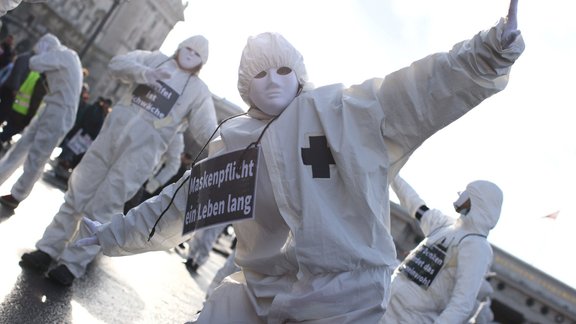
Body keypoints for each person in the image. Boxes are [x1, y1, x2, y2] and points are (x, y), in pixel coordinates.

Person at [78, 1, 524, 322]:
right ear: (243, 86)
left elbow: (419, 91)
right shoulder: (234, 143)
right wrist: (114, 233)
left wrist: (487, 52)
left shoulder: (345, 112)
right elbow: (182, 203)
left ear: (300, 73)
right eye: (259, 74)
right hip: (261, 289)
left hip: (345, 299)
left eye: (282, 70)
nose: (272, 82)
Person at [19, 35, 218, 286]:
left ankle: (72, 264)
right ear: (179, 46)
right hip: (110, 137)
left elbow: (206, 128)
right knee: (77, 192)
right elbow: (117, 64)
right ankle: (48, 249)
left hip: (141, 154)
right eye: (187, 48)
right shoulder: (154, 59)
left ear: (203, 62)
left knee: (103, 206)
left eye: (196, 54)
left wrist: (229, 142)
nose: (190, 54)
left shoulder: (198, 92)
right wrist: (144, 74)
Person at [381, 174, 503, 323]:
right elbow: (414, 203)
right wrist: (393, 173)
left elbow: (462, 303)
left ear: (477, 201)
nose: (461, 195)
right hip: (382, 305)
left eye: (467, 193)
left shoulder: (476, 247)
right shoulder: (443, 226)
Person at [0, 33, 82, 209]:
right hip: (52, 106)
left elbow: (34, 63)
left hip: (60, 111)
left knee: (38, 155)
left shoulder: (63, 54)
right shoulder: (65, 56)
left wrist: (40, 54)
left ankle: (17, 195)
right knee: (22, 146)